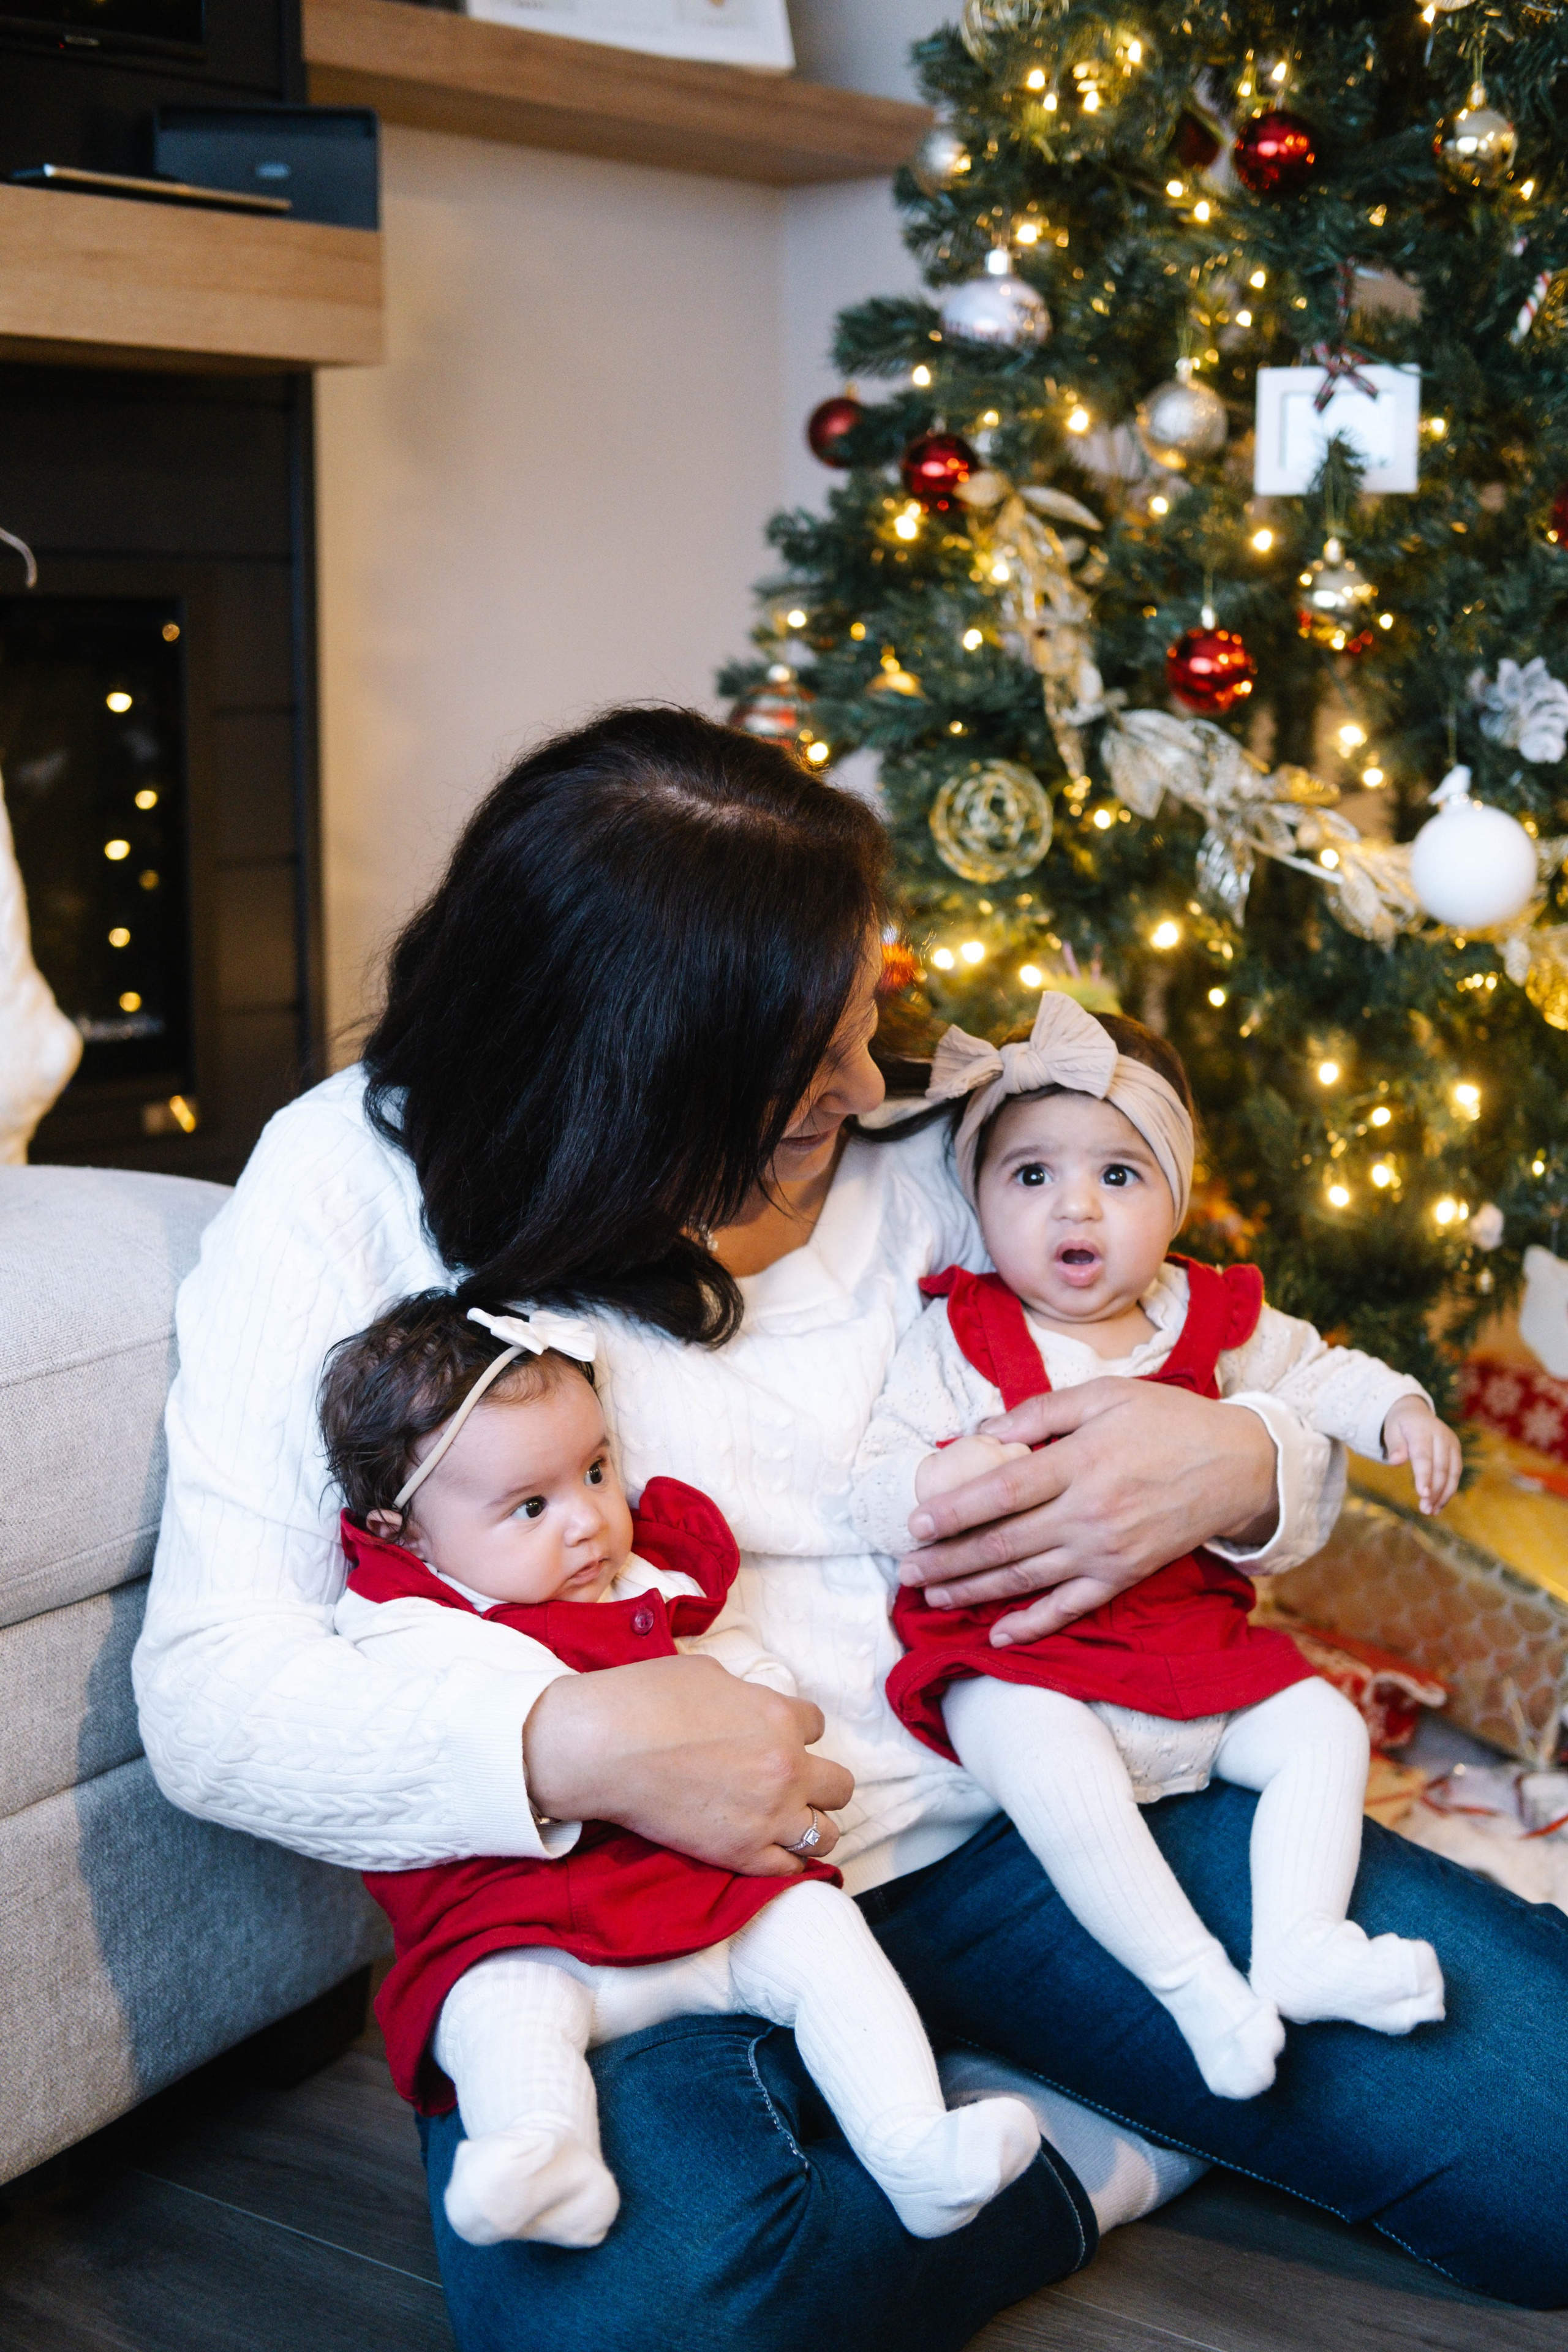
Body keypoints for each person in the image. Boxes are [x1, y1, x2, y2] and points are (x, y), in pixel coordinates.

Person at [134, 707, 1568, 2349]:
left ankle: (1032, 2062)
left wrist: (1242, 1466)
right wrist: (569, 1740)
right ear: (620, 1072)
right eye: (796, 1072)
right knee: (649, 2326)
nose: (865, 1079)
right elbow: (211, 1690)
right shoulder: (344, 1186)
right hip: (640, 1897)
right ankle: (1086, 2154)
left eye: (862, 1007)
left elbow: (1241, 1369)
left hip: (1049, 1801)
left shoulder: (952, 1125)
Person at [320, 1291, 1039, 2248]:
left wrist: (752, 1698)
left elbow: (734, 1661)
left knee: (823, 1931)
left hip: (708, 1900)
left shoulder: (645, 1580)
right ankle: (543, 2155)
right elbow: (416, 1734)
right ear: (405, 1531)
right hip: (532, 1924)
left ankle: (914, 2148)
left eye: (596, 1471)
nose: (587, 1523)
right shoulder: (404, 1622)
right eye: (531, 1506)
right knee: (493, 2001)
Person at [851, 993, 1454, 2105]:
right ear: (978, 1198)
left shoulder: (1218, 1317)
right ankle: (1194, 1988)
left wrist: (1401, 1413)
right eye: (1030, 1175)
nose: (1073, 1204)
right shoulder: (961, 1330)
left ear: (1176, 1198)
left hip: (1187, 1649)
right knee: (1038, 1755)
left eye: (1118, 1176)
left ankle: (1303, 1942)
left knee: (1322, 1726)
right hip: (1018, 1652)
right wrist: (936, 1483)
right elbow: (878, 1477)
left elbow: (1323, 1375)